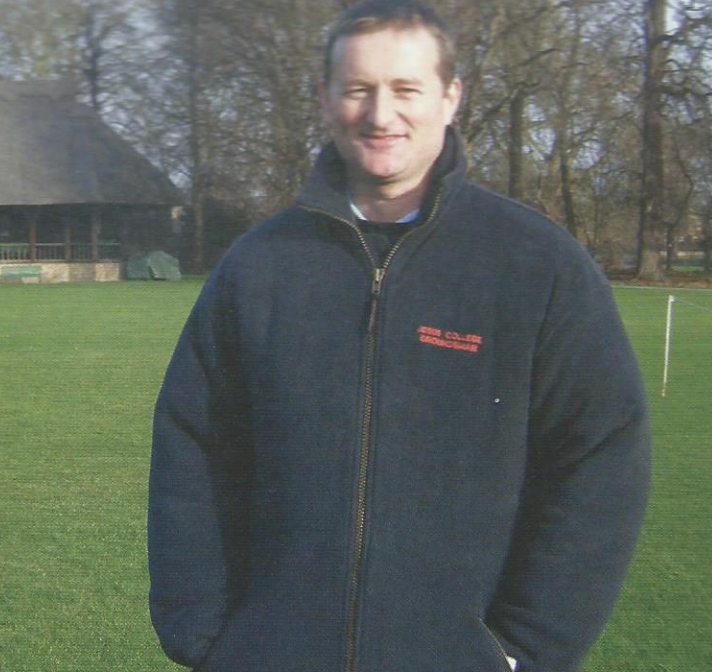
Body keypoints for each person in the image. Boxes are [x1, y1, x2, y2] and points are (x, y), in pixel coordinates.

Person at [148, 1, 650, 671]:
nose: (381, 115)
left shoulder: (537, 264)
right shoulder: (260, 265)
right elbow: (192, 446)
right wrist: (204, 632)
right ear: (325, 98)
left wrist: (526, 648)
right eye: (359, 89)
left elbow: (601, 457)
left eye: (406, 89)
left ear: (450, 97)